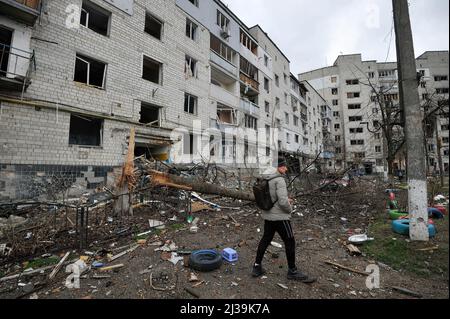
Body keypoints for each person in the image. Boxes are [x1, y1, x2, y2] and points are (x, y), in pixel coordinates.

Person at [252, 158, 316, 283]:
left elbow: (272, 196)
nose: (286, 169)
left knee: (265, 239)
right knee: (290, 241)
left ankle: (256, 267)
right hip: (280, 217)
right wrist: (289, 208)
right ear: (278, 167)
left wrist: (286, 199)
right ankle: (292, 271)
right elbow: (282, 202)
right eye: (284, 166)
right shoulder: (279, 180)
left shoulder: (267, 178)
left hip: (268, 215)